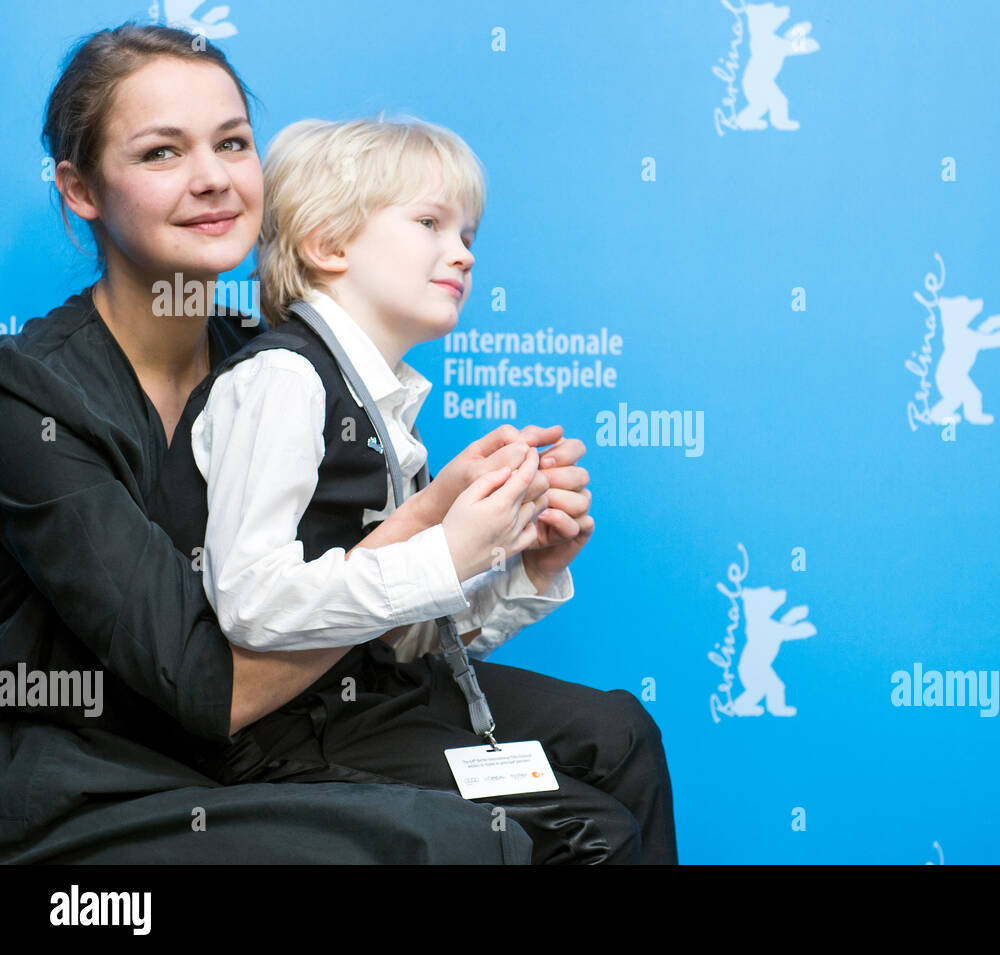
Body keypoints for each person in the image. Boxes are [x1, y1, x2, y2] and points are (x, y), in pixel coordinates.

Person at [0, 21, 671, 864]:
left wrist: (511, 557)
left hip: (312, 715)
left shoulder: (299, 356)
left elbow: (384, 628)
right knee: (483, 835)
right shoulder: (31, 395)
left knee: (617, 737)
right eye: (161, 153)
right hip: (122, 769)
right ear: (80, 187)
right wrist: (433, 532)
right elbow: (212, 684)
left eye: (234, 143)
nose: (212, 178)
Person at [147, 114, 678, 864]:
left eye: (468, 235)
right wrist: (450, 551)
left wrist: (525, 567)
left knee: (622, 732)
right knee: (595, 829)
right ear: (328, 245)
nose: (460, 253)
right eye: (430, 222)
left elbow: (404, 636)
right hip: (292, 733)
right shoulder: (282, 381)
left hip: (384, 693)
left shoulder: (387, 406)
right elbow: (251, 600)